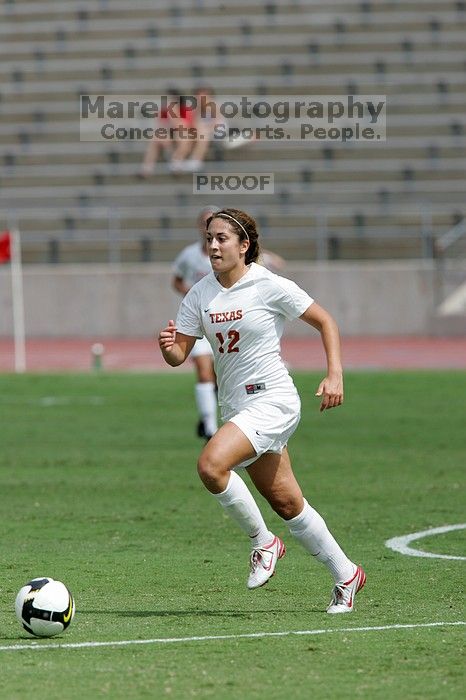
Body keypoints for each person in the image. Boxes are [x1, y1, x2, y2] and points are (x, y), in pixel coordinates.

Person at [159, 208, 366, 613]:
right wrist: (168, 348)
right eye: (210, 238)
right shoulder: (200, 293)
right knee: (288, 504)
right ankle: (346, 574)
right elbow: (179, 353)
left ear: (244, 245)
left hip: (273, 399)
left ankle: (264, 542)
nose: (213, 246)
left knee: (211, 465)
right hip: (237, 406)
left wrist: (335, 374)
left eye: (222, 238)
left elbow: (326, 321)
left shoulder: (268, 285)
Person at [172, 205, 221, 440]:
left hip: (225, 324)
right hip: (198, 322)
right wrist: (192, 294)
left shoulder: (228, 254)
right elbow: (177, 280)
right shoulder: (189, 255)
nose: (207, 226)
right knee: (203, 371)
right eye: (204, 222)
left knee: (222, 377)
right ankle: (210, 428)